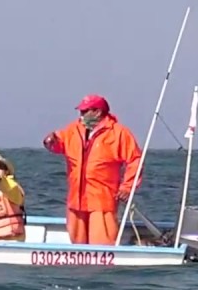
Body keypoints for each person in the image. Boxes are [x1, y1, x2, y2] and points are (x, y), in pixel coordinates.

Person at [42, 94, 143, 245]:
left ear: (97, 112)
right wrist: (50, 141)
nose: (81, 115)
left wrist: (127, 187)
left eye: (84, 111)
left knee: (102, 244)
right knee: (77, 246)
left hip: (102, 199)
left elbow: (135, 160)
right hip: (76, 199)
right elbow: (59, 143)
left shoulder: (119, 133)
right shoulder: (73, 130)